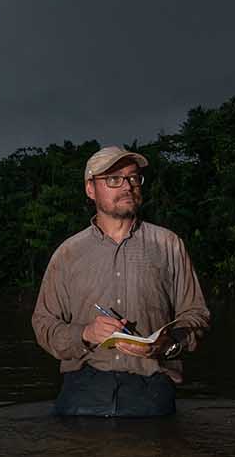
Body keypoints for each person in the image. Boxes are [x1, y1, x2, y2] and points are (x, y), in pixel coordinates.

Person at [32, 146, 211, 417]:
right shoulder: (67, 254)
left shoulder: (169, 245)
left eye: (133, 178)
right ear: (90, 189)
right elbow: (44, 323)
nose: (127, 186)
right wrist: (85, 333)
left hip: (151, 389)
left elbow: (196, 314)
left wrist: (169, 344)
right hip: (83, 389)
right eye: (114, 179)